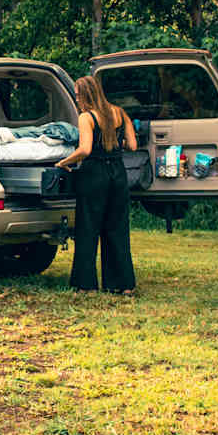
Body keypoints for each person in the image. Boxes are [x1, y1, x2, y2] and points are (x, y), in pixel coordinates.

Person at [55, 75, 138, 292]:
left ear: (84, 95)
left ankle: (85, 284)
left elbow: (85, 149)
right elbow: (133, 145)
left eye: (76, 94)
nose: (75, 97)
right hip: (118, 173)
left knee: (88, 228)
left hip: (94, 174)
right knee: (117, 229)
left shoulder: (86, 117)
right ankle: (122, 284)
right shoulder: (120, 113)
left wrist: (63, 162)